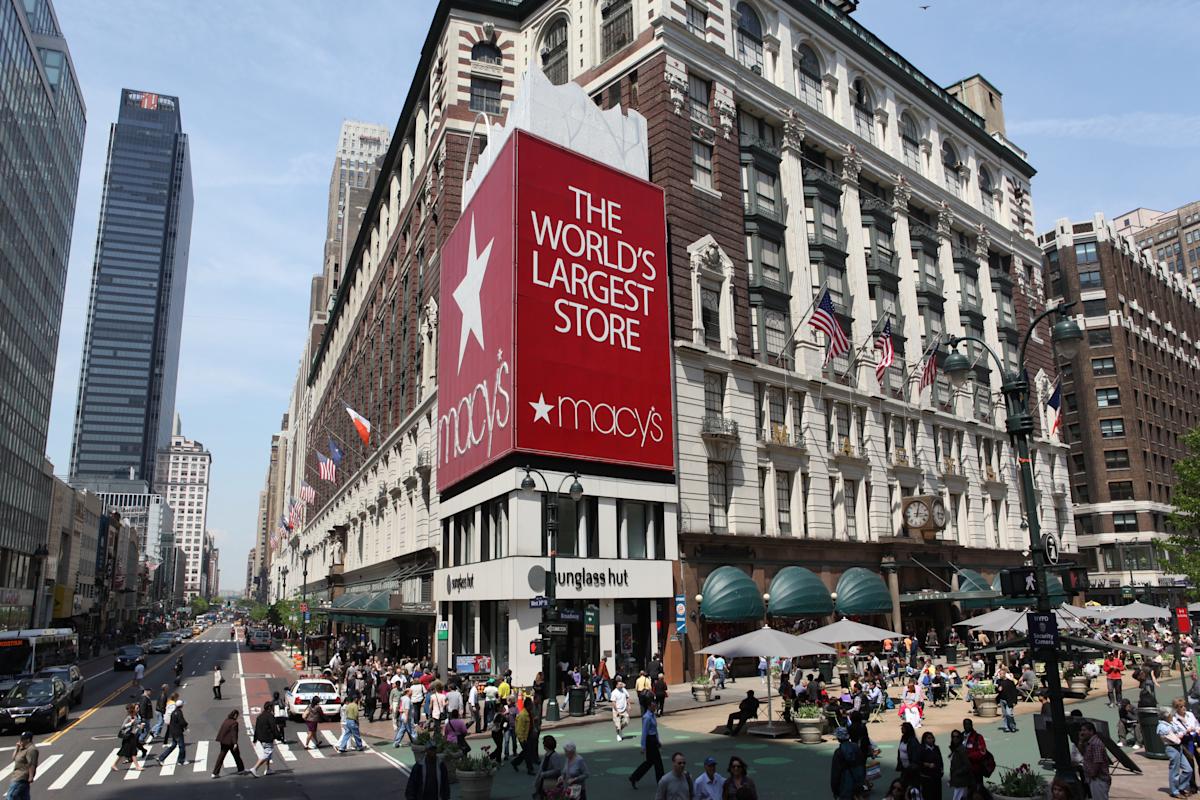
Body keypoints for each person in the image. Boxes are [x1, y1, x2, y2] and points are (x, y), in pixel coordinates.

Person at [1160, 706, 1195, 798]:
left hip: (1179, 748)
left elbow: (1182, 731)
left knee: (1188, 769)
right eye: (1171, 714)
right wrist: (1180, 734)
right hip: (1172, 748)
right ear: (1167, 716)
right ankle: (1174, 791)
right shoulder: (1162, 726)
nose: (1172, 715)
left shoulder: (1171, 723)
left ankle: (1180, 787)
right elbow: (1176, 739)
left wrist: (1182, 733)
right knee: (1174, 771)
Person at [630, 699, 664, 789]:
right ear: (649, 706)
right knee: (658, 762)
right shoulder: (647, 717)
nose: (655, 707)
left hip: (653, 740)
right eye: (653, 706)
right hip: (649, 741)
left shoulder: (653, 715)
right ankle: (661, 782)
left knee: (649, 762)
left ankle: (634, 777)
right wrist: (643, 746)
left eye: (655, 705)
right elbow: (644, 732)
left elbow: (655, 730)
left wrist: (658, 740)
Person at [1078, 721, 1111, 800]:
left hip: (1098, 779)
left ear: (1091, 731)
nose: (1082, 732)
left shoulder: (1096, 744)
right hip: (1094, 779)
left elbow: (1098, 762)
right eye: (1081, 730)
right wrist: (1080, 741)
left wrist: (1092, 775)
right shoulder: (1089, 743)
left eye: (1084, 730)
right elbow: (1083, 754)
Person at [831, 727, 865, 800]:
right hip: (858, 782)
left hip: (844, 785)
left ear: (838, 738)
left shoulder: (838, 752)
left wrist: (835, 790)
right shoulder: (856, 747)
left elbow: (835, 773)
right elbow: (862, 764)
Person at [153, 698, 189, 766]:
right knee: (182, 746)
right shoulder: (179, 712)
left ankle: (161, 758)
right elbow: (182, 722)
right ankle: (181, 760)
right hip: (178, 732)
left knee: (173, 746)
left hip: (173, 732)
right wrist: (186, 726)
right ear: (181, 706)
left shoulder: (174, 712)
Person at [212, 710, 246, 779]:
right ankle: (241, 769)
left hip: (223, 741)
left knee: (221, 757)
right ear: (235, 715)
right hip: (230, 742)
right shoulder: (234, 723)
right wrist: (235, 743)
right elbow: (234, 734)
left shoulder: (226, 720)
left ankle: (215, 773)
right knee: (236, 755)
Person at [249, 700, 279, 777]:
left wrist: (255, 739)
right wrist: (278, 736)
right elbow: (273, 727)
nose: (273, 708)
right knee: (267, 753)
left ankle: (268, 769)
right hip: (267, 737)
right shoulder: (270, 716)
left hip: (261, 738)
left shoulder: (260, 716)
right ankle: (255, 768)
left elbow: (257, 728)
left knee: (267, 752)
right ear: (269, 708)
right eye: (272, 707)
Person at [113, 704, 145, 772]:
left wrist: (140, 726)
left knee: (129, 751)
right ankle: (137, 766)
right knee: (128, 751)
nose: (136, 710)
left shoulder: (134, 717)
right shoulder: (128, 717)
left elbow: (136, 725)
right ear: (132, 710)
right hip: (128, 736)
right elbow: (122, 727)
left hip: (132, 736)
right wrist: (130, 723)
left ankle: (114, 765)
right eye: (135, 709)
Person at [8, 730, 39, 800]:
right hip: (17, 776)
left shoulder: (31, 750)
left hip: (21, 777)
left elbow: (32, 764)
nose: (20, 740)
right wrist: (17, 748)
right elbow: (14, 758)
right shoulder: (22, 748)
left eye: (22, 739)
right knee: (23, 797)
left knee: (11, 796)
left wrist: (31, 777)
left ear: (28, 740)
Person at [513, 696, 537, 775]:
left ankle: (515, 762)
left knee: (526, 752)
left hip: (528, 735)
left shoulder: (529, 713)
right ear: (528, 705)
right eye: (531, 704)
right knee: (528, 753)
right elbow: (519, 729)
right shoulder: (523, 715)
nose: (532, 706)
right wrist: (522, 739)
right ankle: (530, 769)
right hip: (523, 737)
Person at [963, 719, 989, 790]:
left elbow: (982, 752)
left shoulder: (978, 737)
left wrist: (969, 756)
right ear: (963, 725)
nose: (967, 726)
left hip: (976, 769)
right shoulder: (961, 737)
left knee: (977, 792)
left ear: (972, 725)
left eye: (969, 724)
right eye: (965, 724)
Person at [918, 731, 944, 800]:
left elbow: (940, 760)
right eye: (929, 738)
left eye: (932, 738)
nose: (931, 739)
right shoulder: (921, 749)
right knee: (928, 796)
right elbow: (917, 762)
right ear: (924, 739)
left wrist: (941, 770)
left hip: (936, 777)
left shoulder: (936, 748)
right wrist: (927, 764)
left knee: (937, 795)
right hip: (926, 778)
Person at [896, 722, 921, 790]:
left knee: (912, 786)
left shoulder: (913, 740)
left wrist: (912, 766)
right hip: (904, 767)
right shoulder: (903, 738)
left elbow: (915, 755)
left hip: (911, 769)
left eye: (903, 727)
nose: (901, 728)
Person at [949, 730, 973, 800]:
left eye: (957, 736)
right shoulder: (956, 749)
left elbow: (968, 765)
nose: (955, 738)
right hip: (958, 781)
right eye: (953, 736)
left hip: (962, 781)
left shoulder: (962, 749)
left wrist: (957, 773)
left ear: (960, 738)